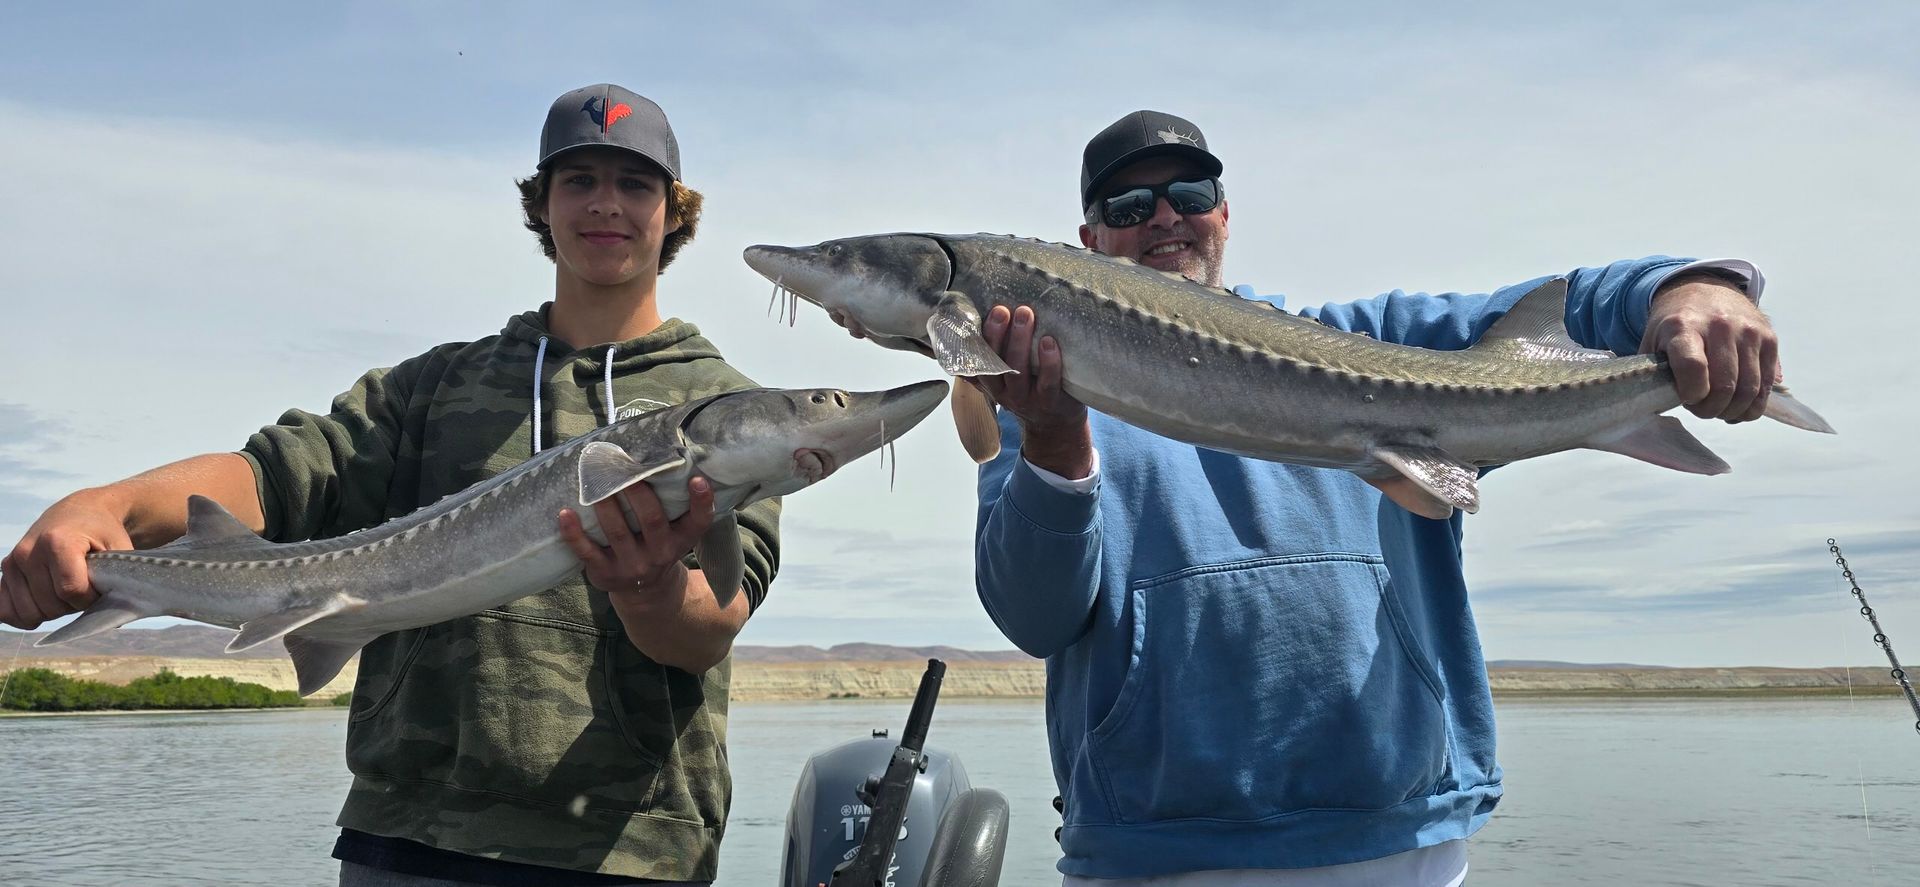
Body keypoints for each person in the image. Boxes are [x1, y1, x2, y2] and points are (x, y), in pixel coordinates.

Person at [970, 110, 1784, 886]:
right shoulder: (1038, 393)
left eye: (1188, 197)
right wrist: (1053, 438)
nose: (1164, 219)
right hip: (1151, 853)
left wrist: (1695, 290)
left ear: (1223, 213)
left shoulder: (1376, 339)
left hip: (1400, 844)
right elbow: (1034, 617)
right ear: (1089, 241)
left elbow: (1569, 303)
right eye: (1129, 204)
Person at [0, 83, 779, 886]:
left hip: (626, 844)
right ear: (540, 205)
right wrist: (104, 507)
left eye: (635, 183)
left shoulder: (729, 409)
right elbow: (271, 473)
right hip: (407, 830)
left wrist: (650, 589)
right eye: (578, 180)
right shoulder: (432, 387)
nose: (605, 204)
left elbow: (714, 622)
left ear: (675, 210)